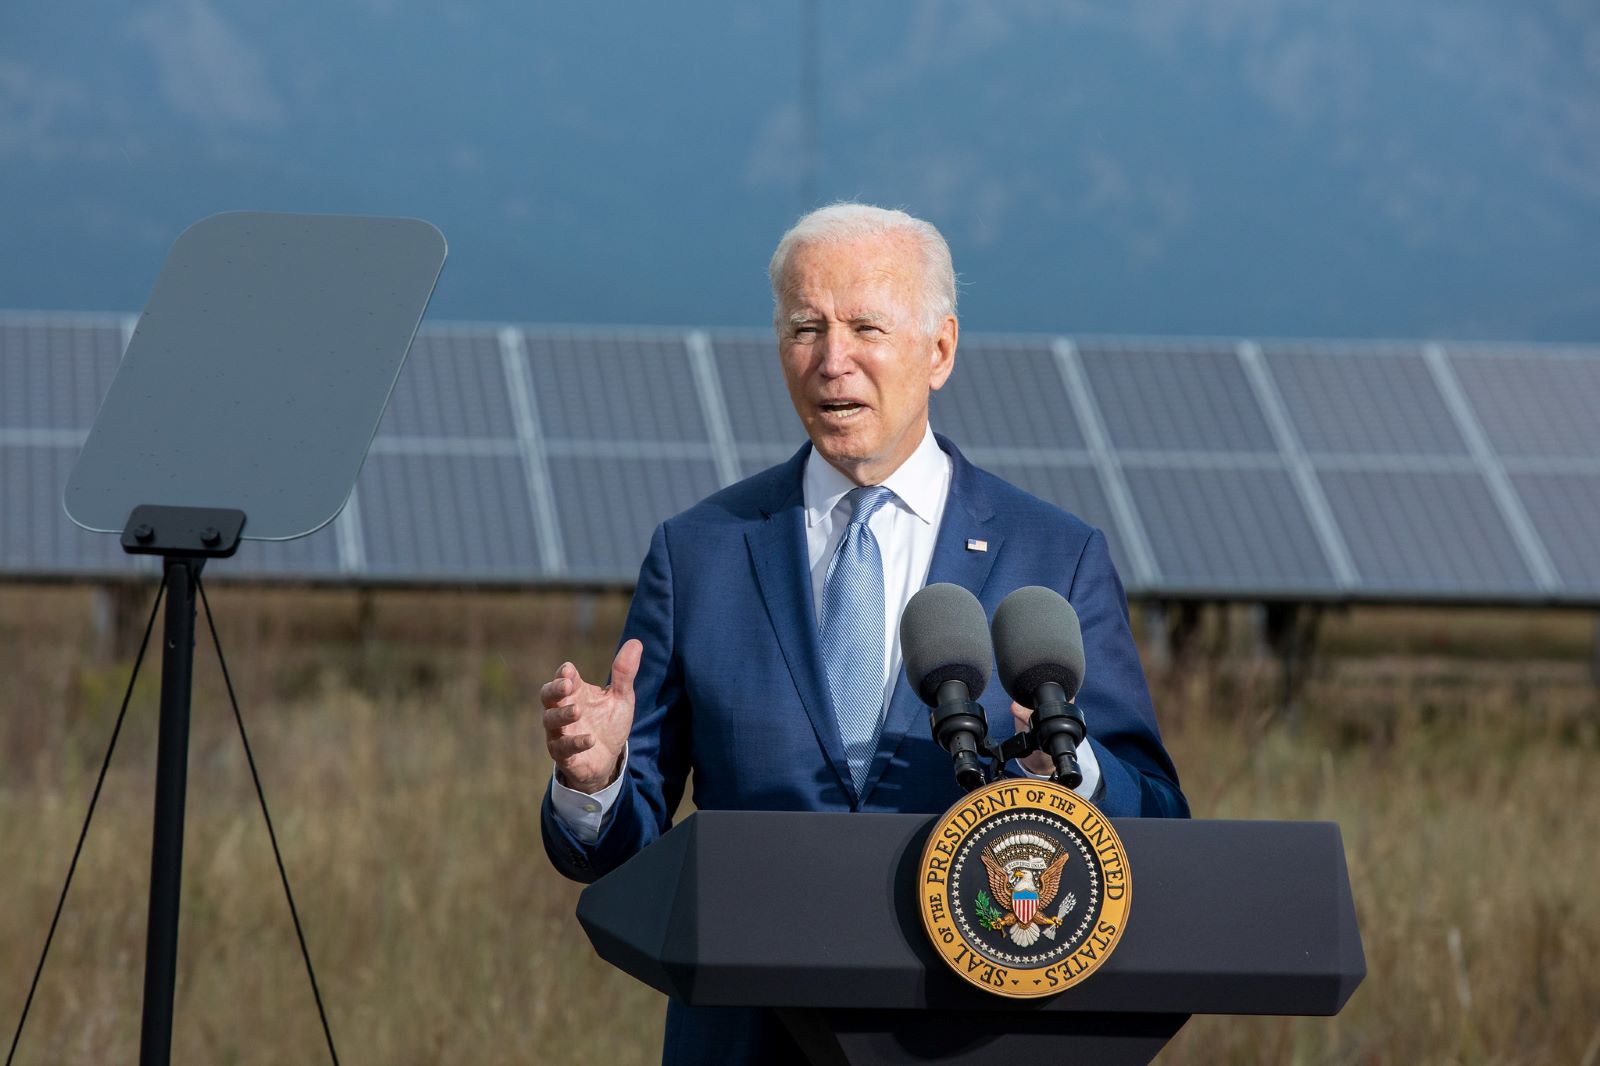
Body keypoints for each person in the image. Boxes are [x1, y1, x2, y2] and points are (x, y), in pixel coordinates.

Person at [539, 203, 1186, 1063]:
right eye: (805, 328)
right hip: (746, 1034)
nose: (831, 360)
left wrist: (1069, 774)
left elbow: (1157, 815)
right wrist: (601, 779)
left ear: (941, 349)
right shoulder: (699, 553)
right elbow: (623, 845)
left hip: (974, 1028)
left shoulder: (1053, 556)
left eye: (865, 327)